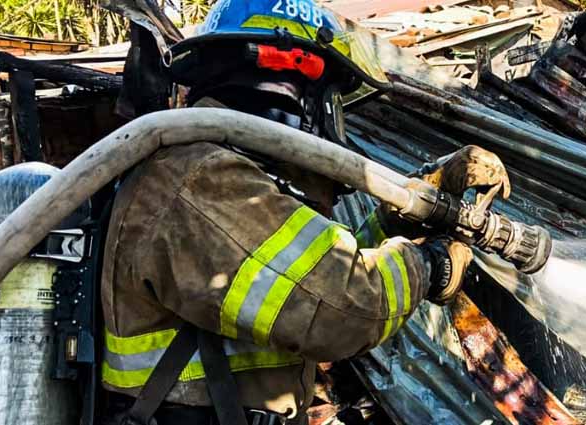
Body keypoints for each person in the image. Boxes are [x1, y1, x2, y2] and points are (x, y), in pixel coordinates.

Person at [99, 1, 510, 424]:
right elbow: (341, 306)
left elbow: (311, 271)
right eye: (332, 96)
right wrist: (431, 265)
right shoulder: (200, 179)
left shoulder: (227, 175)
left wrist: (392, 220)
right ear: (295, 85)